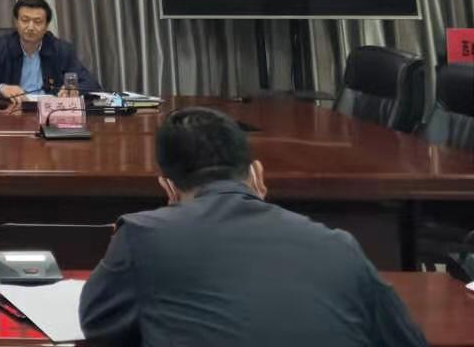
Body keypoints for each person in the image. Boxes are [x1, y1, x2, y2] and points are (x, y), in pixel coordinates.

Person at [79, 107, 427, 347]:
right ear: (257, 174)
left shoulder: (144, 236)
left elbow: (98, 325)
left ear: (167, 186)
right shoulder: (339, 245)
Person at [0, 0, 99, 99]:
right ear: (16, 22)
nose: (30, 27)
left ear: (46, 26)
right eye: (25, 20)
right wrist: (2, 88)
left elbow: (91, 84)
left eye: (37, 21)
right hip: (11, 111)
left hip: (49, 113)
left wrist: (74, 90)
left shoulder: (61, 50)